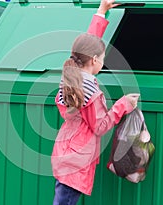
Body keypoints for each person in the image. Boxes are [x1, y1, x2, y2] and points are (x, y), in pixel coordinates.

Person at [51, 0, 140, 204]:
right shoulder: (92, 93)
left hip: (66, 154)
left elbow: (86, 48)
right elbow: (100, 126)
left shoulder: (70, 76)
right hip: (77, 160)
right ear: (94, 60)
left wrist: (101, 12)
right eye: (102, 58)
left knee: (63, 198)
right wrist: (123, 105)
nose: (103, 61)